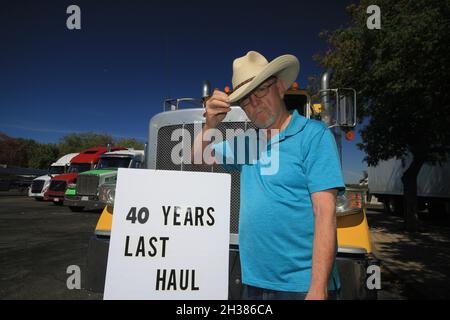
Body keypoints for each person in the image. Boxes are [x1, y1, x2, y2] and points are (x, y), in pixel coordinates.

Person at [192, 51, 345, 300]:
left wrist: (317, 289)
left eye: (261, 90)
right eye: (245, 100)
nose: (255, 103)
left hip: (302, 287)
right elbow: (198, 160)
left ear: (281, 88)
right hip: (253, 282)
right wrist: (210, 126)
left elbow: (325, 213)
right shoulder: (246, 144)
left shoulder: (314, 136)